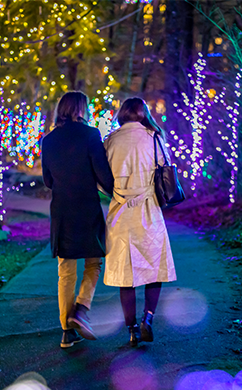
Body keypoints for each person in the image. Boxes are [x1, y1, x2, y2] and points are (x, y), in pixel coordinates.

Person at [41, 91, 114, 348]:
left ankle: (66, 330)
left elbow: (47, 180)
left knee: (66, 270)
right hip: (86, 207)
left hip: (62, 210)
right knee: (94, 263)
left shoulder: (47, 141)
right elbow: (103, 174)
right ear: (81, 109)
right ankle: (81, 309)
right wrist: (117, 191)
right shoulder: (91, 135)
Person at [103, 97, 177, 347]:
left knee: (127, 275)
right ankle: (148, 318)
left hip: (120, 212)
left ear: (122, 114)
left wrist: (116, 192)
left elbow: (101, 176)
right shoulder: (154, 137)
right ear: (143, 113)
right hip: (149, 210)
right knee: (153, 268)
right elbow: (166, 168)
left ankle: (132, 329)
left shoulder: (110, 140)